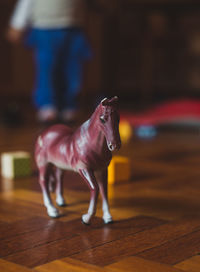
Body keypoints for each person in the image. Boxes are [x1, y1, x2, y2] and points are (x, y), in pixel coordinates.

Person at [7, 0, 99, 123]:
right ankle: (47, 105)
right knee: (47, 68)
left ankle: (69, 104)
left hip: (73, 26)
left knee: (72, 69)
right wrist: (18, 23)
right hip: (45, 26)